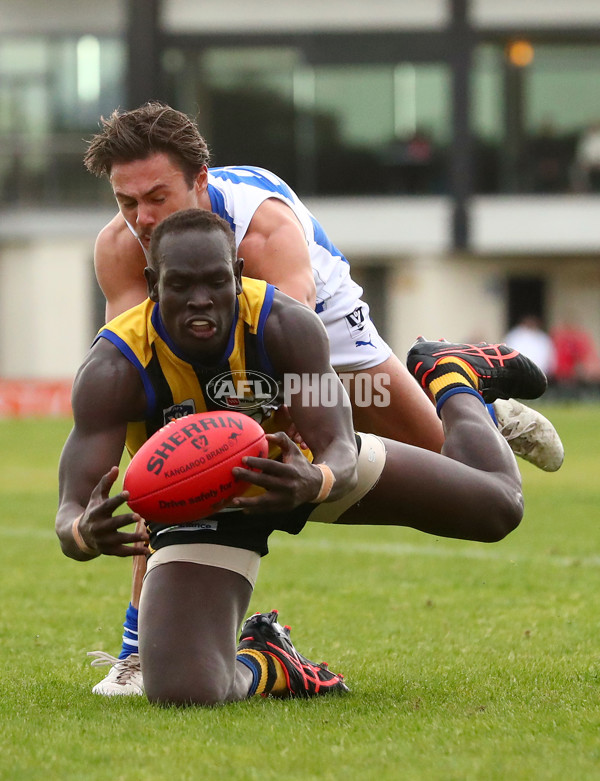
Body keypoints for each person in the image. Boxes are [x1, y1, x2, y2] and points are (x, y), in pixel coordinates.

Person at [82, 102, 563, 695]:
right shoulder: (119, 248)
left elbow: (292, 377)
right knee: (175, 450)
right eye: (127, 203)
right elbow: (148, 401)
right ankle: (144, 651)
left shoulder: (265, 234)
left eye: (157, 197)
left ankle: (456, 381)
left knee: (460, 475)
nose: (142, 219)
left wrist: (313, 472)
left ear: (200, 181)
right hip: (227, 346)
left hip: (324, 337)